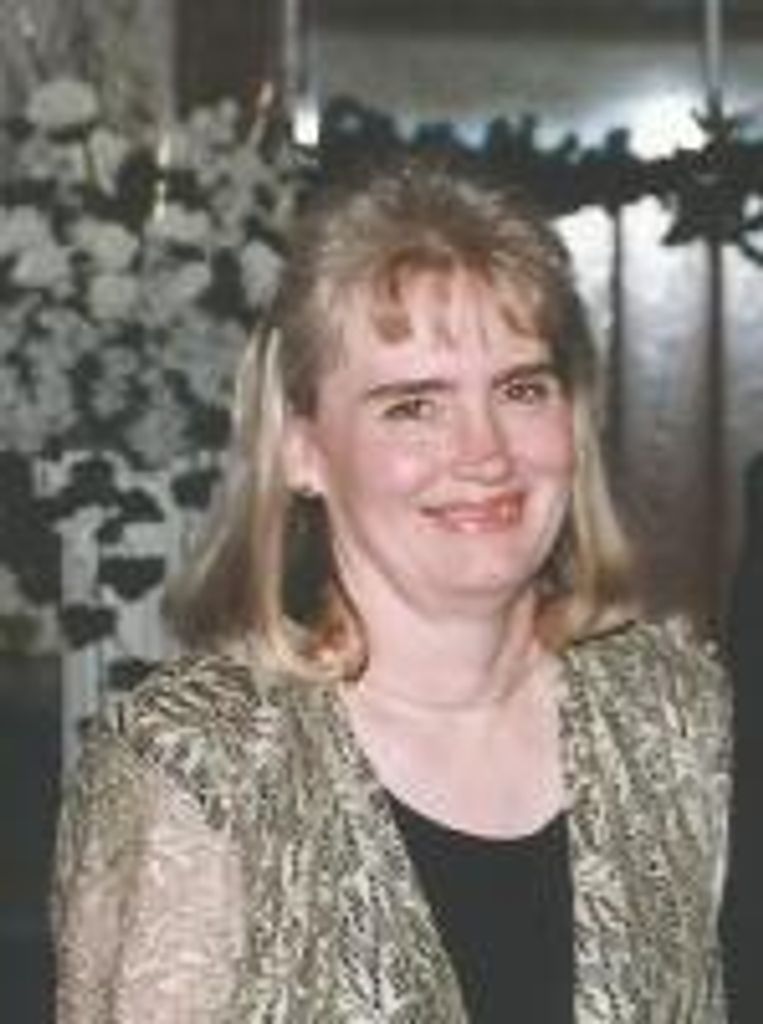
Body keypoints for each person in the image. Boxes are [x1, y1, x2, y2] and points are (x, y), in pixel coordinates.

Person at [53, 153, 731, 1023]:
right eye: (414, 404)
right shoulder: (195, 759)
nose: (484, 453)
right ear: (302, 450)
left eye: (521, 389)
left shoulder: (676, 713)